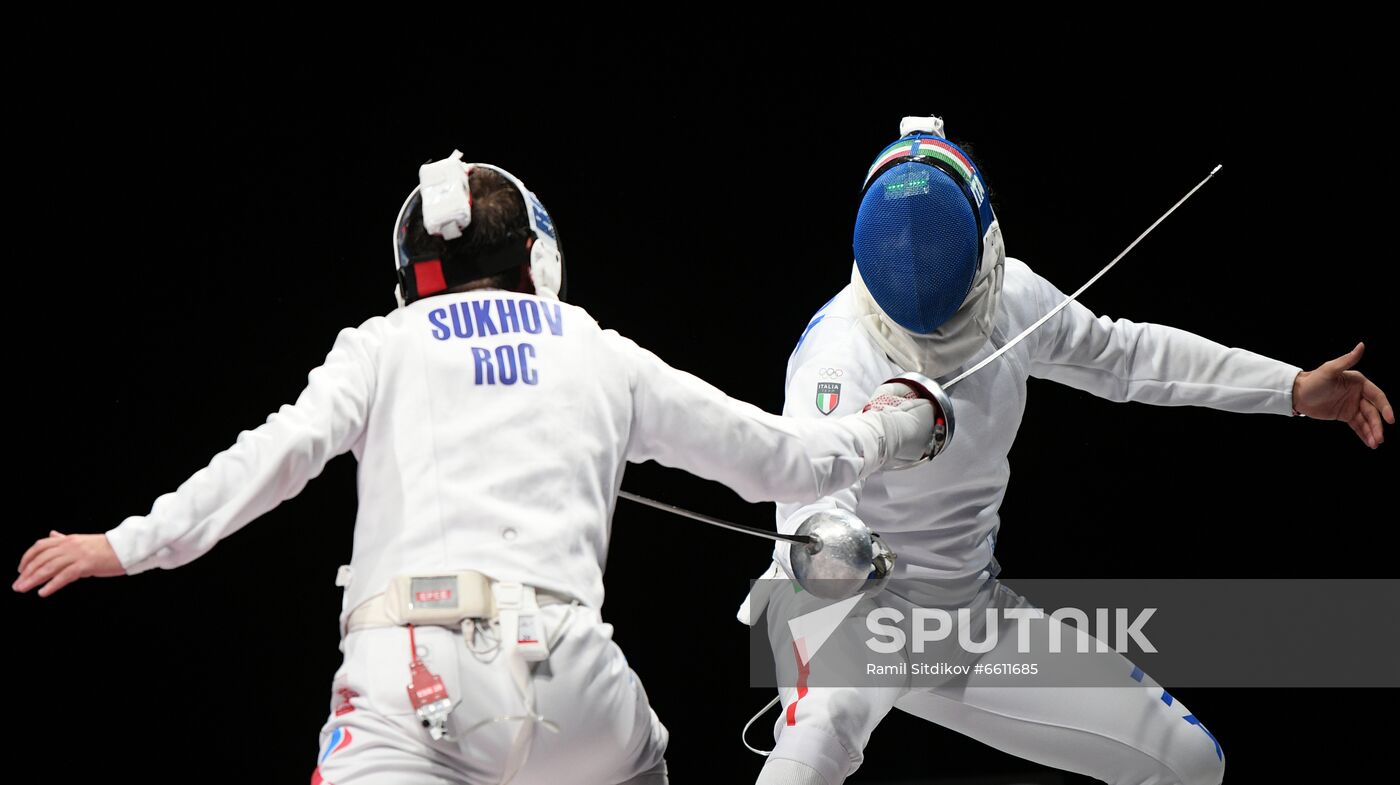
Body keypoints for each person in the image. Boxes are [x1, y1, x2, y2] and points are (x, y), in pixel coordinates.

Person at [12, 151, 939, 785]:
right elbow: (785, 460)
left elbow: (277, 456)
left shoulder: (380, 343)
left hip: (408, 679)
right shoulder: (592, 344)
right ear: (537, 258)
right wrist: (901, 423)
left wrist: (124, 545)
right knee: (642, 756)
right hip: (572, 680)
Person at [742, 117, 1393, 785]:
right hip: (850, 616)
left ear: (979, 252)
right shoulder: (836, 352)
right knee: (818, 736)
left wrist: (1288, 388)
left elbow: (1127, 357)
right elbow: (811, 498)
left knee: (1189, 762)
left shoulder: (1014, 298)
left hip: (964, 619)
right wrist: (826, 550)